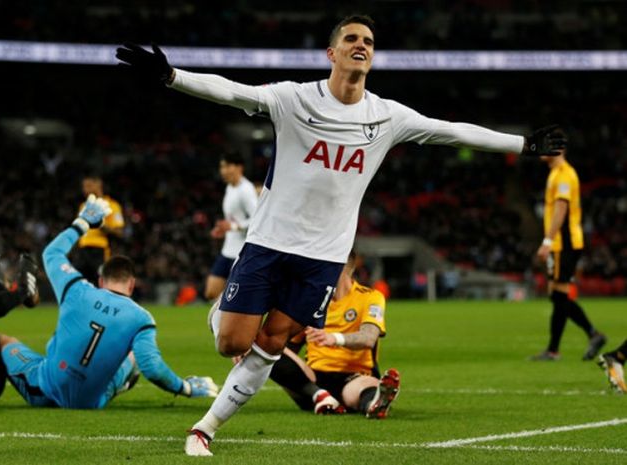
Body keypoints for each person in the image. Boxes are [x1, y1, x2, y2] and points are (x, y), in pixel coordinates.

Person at [117, 15, 565, 456]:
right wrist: (172, 76)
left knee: (272, 344)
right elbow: (234, 92)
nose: (361, 44)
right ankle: (224, 309)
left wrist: (521, 145)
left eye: (368, 40)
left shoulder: (386, 116)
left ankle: (204, 429)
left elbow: (449, 131)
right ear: (331, 53)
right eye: (351, 38)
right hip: (270, 242)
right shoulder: (294, 99)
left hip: (324, 257)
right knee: (231, 343)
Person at [0, 195, 218, 408]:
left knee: (1, 340)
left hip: (43, 389)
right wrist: (185, 388)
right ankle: (116, 384)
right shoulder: (142, 318)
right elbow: (151, 367)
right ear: (132, 284)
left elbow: (51, 253)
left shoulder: (76, 289)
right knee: (134, 356)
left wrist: (82, 223)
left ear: (101, 280)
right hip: (92, 403)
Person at [269, 252, 400, 418]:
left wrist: (335, 338)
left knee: (366, 388)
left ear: (343, 267)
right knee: (262, 346)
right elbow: (288, 347)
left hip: (354, 376)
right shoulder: (310, 301)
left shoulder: (370, 297)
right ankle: (319, 396)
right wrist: (252, 353)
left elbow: (368, 338)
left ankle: (374, 404)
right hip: (312, 378)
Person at [530, 128, 606, 361]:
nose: (542, 148)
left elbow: (561, 209)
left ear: (559, 149)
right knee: (557, 296)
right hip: (561, 244)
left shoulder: (564, 174)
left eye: (547, 144)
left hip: (565, 243)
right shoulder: (555, 173)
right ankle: (581, 339)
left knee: (559, 295)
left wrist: (547, 241)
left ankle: (563, 346)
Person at [205, 152, 258, 301]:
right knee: (211, 291)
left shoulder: (246, 190)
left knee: (235, 296)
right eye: (222, 167)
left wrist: (234, 227)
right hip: (228, 249)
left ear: (239, 167)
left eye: (227, 166)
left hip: (241, 252)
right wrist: (223, 228)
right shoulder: (230, 188)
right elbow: (233, 219)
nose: (223, 171)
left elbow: (257, 219)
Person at [74, 174, 125, 284]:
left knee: (101, 283)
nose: (85, 189)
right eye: (83, 186)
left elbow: (120, 232)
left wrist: (101, 225)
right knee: (78, 284)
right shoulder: (83, 206)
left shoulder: (112, 205)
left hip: (99, 250)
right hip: (82, 250)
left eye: (88, 186)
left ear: (98, 184)